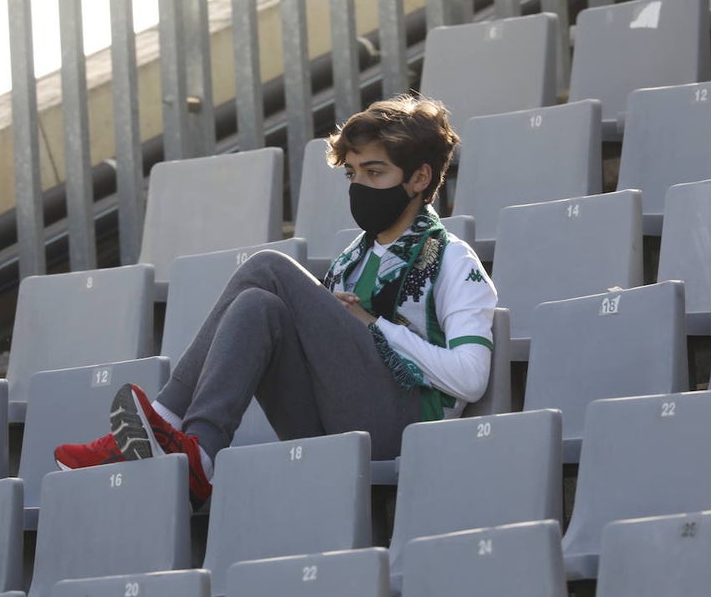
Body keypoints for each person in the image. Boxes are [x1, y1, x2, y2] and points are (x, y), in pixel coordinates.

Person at [54, 95, 497, 508]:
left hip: (404, 428)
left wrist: (373, 325)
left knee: (268, 266)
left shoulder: (453, 259)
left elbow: (471, 377)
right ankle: (200, 451)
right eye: (353, 174)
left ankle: (164, 418)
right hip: (330, 422)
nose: (359, 185)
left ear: (419, 177)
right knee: (256, 307)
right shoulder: (350, 260)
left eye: (374, 173)